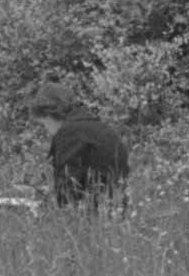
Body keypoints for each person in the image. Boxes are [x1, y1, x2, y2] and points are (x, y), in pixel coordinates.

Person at [23, 81, 129, 213]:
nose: (47, 131)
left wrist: (42, 206)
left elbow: (67, 196)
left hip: (89, 217)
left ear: (47, 115)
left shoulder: (69, 134)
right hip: (115, 211)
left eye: (43, 124)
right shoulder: (104, 130)